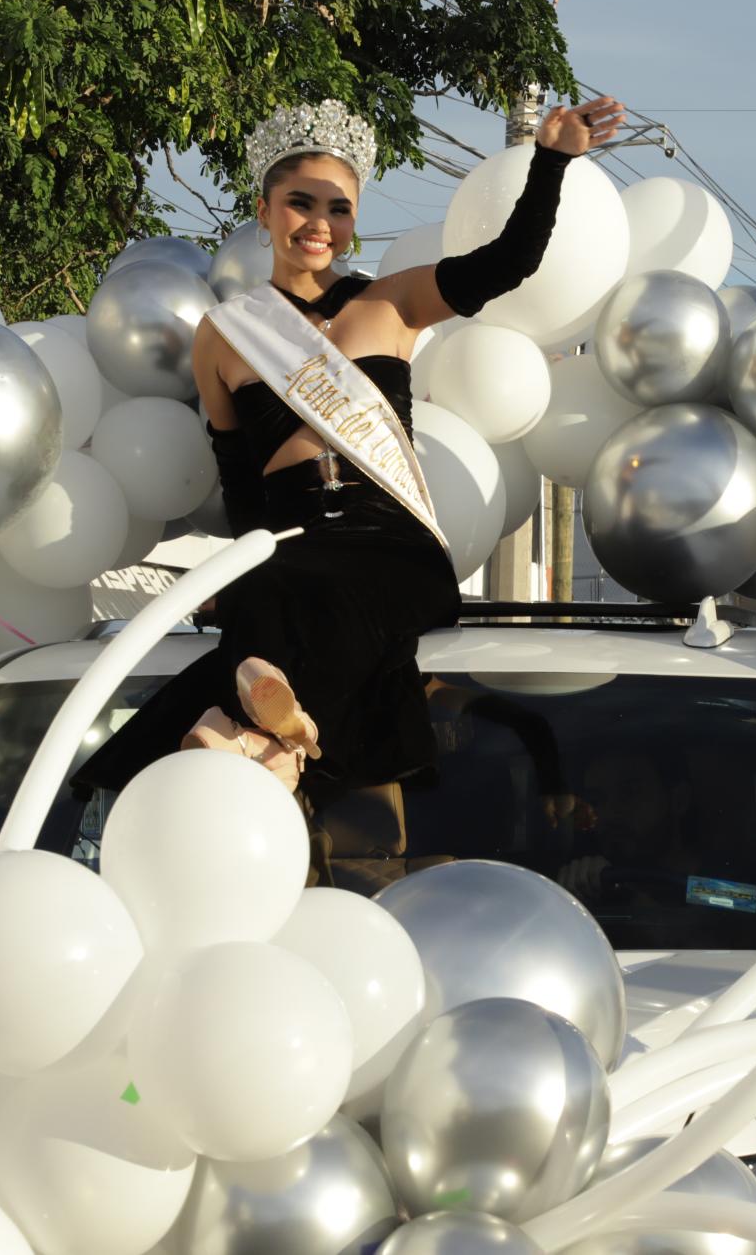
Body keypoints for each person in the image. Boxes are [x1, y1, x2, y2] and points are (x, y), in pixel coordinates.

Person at [75, 94, 626, 806]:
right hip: (295, 533)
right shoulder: (227, 332)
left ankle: (246, 727)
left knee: (297, 600)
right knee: (265, 586)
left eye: (338, 208)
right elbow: (242, 487)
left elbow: (509, 262)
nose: (319, 224)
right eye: (301, 203)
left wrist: (551, 157)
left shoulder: (394, 302)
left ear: (355, 218)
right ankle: (268, 736)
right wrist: (246, 567)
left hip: (389, 535)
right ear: (265, 208)